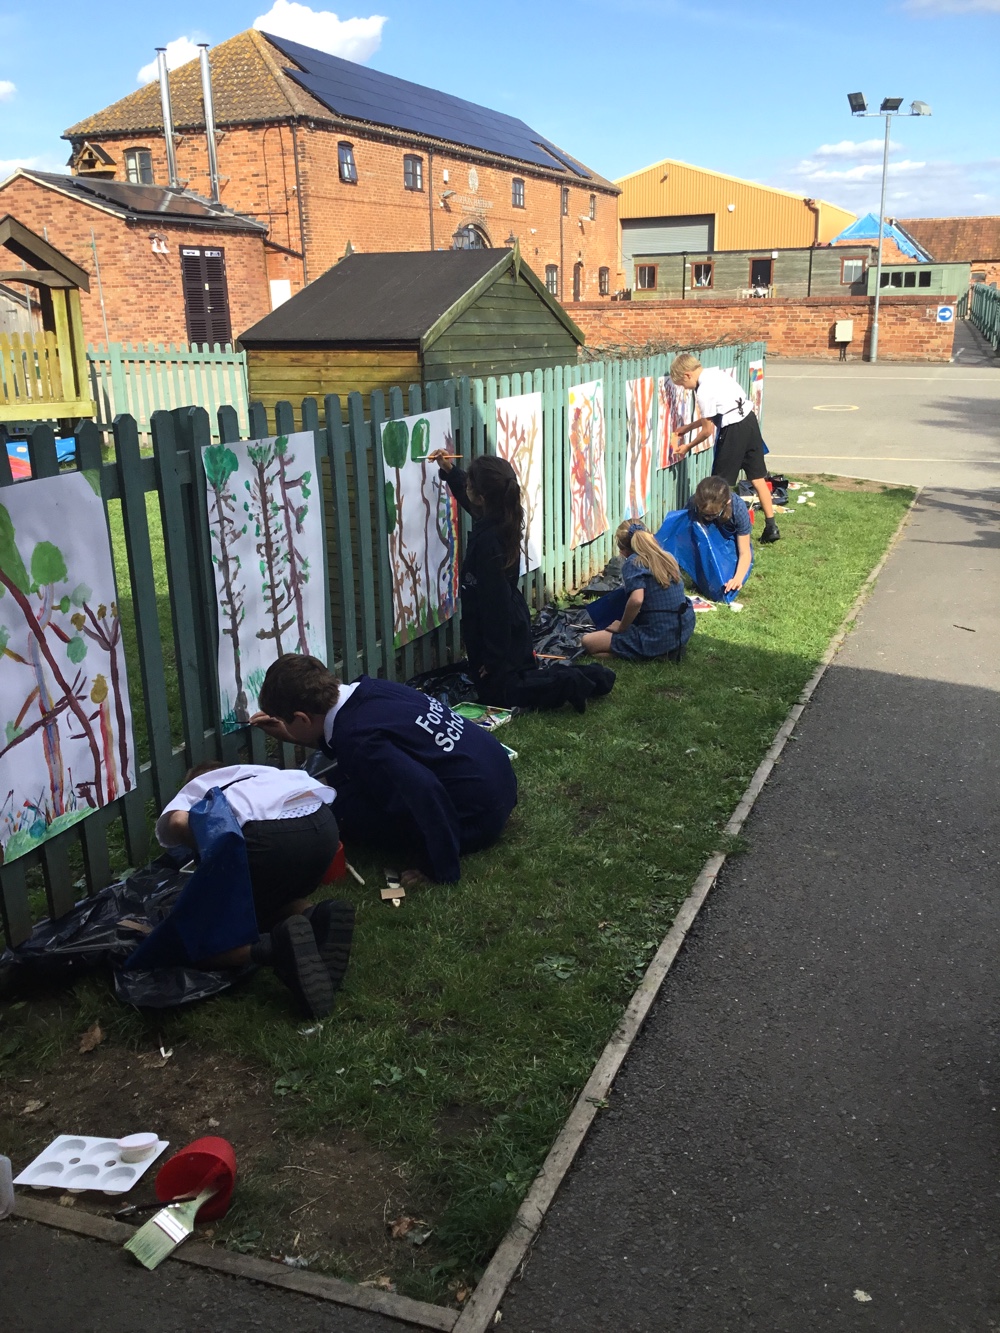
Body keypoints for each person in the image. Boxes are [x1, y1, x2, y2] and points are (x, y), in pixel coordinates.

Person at [252, 654, 517, 890]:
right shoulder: (369, 691)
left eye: (288, 723)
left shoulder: (359, 741)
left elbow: (424, 790)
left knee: (344, 809)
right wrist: (293, 735)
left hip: (477, 818)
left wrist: (438, 867)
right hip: (498, 782)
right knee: (350, 785)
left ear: (302, 718)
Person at [156, 762, 354, 1019]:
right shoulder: (258, 774)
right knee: (269, 896)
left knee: (193, 941)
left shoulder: (198, 790)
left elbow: (179, 822)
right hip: (323, 825)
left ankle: (275, 947)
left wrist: (211, 848)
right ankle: (318, 917)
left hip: (266, 839)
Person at [429, 451, 534, 706]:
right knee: (502, 686)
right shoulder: (500, 515)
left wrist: (493, 660)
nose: (466, 486)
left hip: (500, 635)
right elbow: (470, 500)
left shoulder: (489, 543)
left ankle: (580, 681)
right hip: (506, 631)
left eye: (469, 483)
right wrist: (450, 471)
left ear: (483, 497)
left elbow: (496, 607)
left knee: (500, 695)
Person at [669, 353, 780, 545]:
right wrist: (687, 428)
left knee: (720, 483)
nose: (684, 389)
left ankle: (720, 526)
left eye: (681, 384)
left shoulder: (703, 391)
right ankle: (771, 526)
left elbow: (707, 430)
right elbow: (715, 415)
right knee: (757, 477)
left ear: (687, 375)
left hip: (733, 430)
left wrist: (687, 446)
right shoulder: (717, 375)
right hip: (749, 421)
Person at [582, 521, 694, 661]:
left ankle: (650, 653)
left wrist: (622, 627)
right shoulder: (667, 556)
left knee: (588, 642)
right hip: (680, 630)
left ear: (622, 549)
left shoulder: (634, 562)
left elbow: (636, 600)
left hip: (657, 635)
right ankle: (665, 651)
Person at [688, 475, 753, 594]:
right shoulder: (693, 503)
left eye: (712, 515)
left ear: (727, 502)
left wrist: (737, 579)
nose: (707, 518)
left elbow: (745, 552)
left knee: (725, 576)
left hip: (730, 540)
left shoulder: (738, 509)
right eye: (704, 514)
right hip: (705, 537)